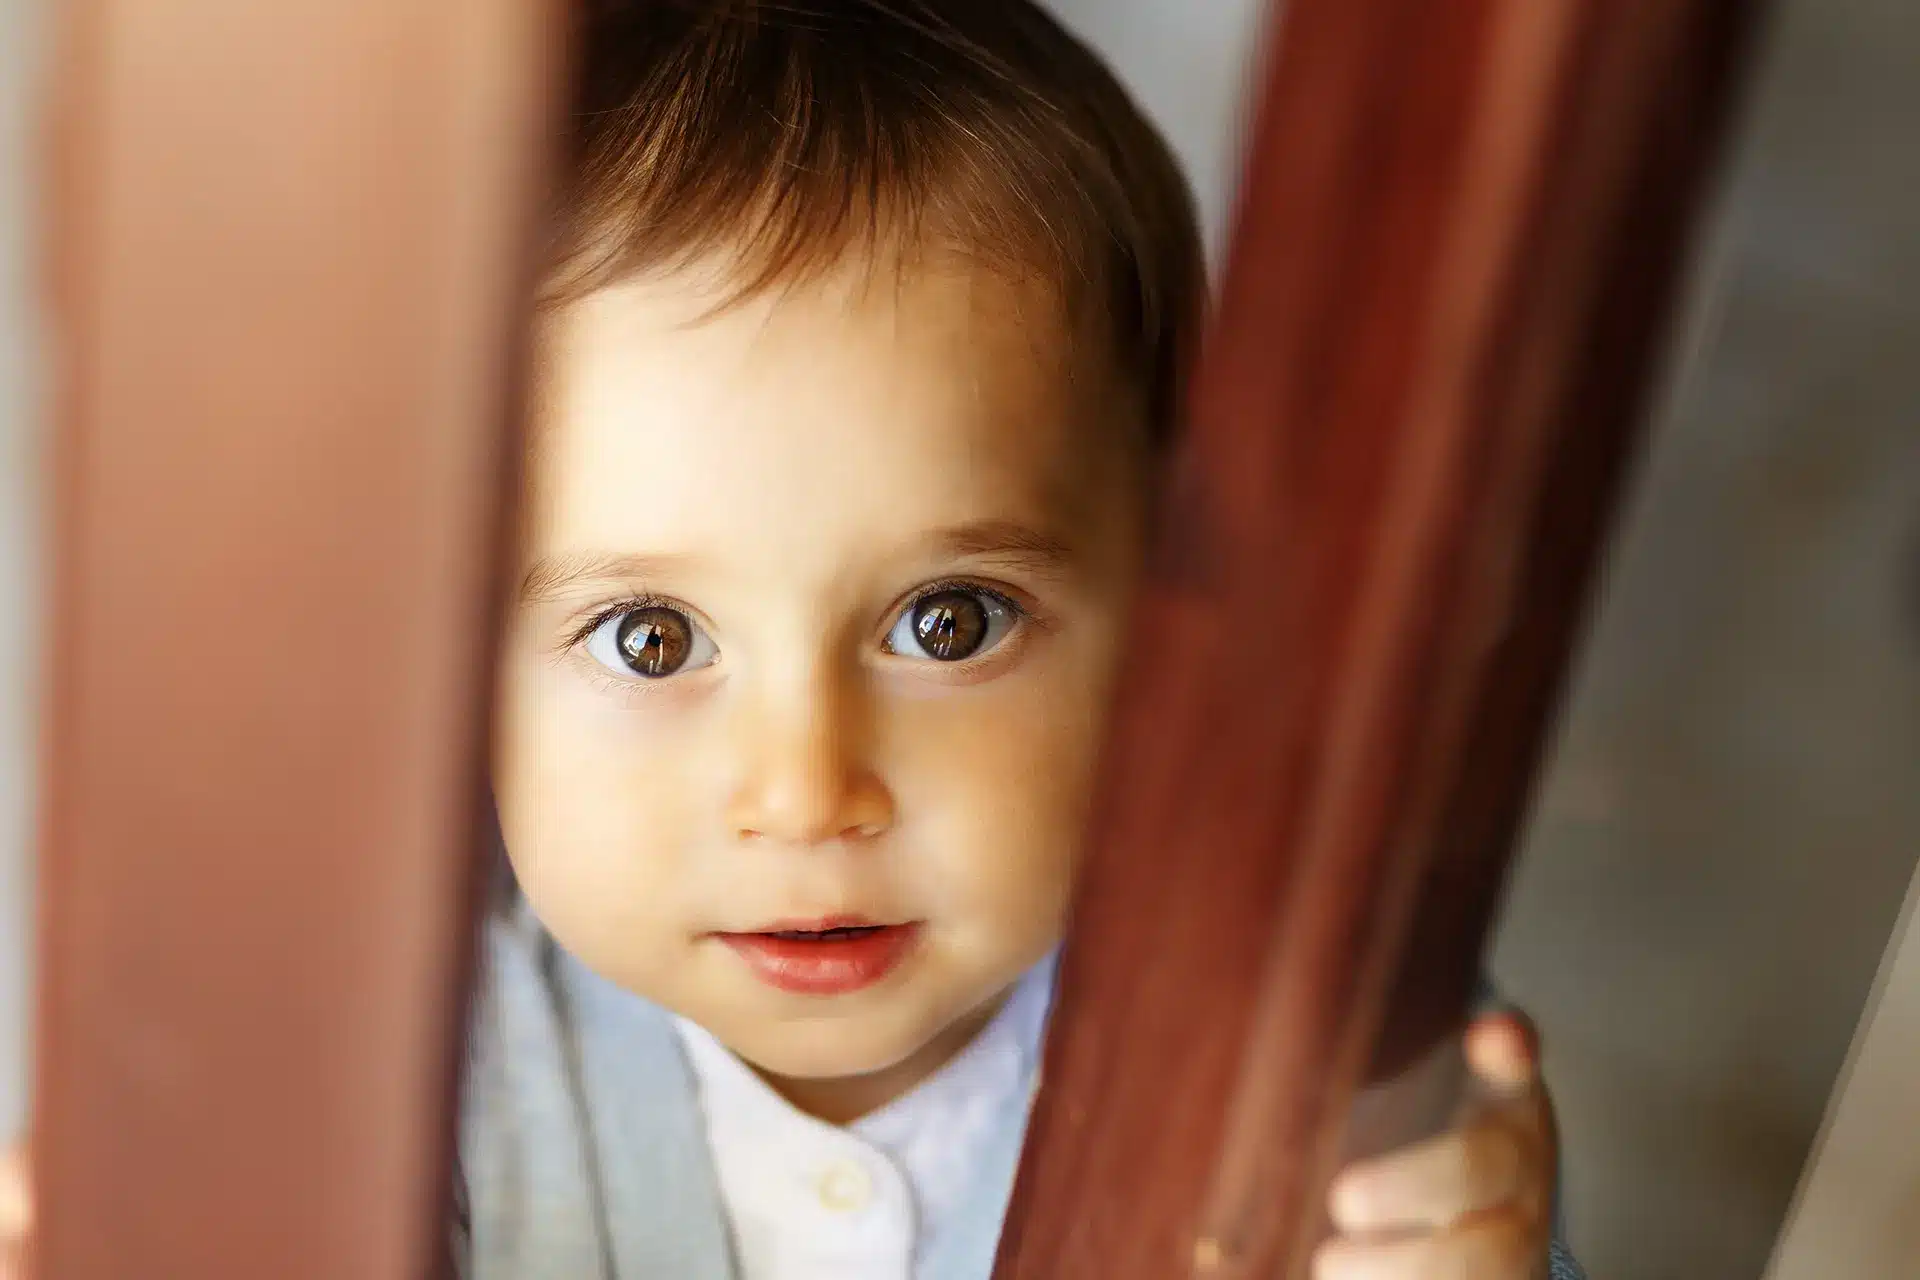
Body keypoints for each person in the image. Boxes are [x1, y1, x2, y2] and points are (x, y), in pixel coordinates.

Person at [3, 3, 1583, 1277]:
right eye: (647, 638)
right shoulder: (396, 1070)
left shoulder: (1270, 1037)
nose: (805, 790)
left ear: (1169, 617)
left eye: (944, 619)